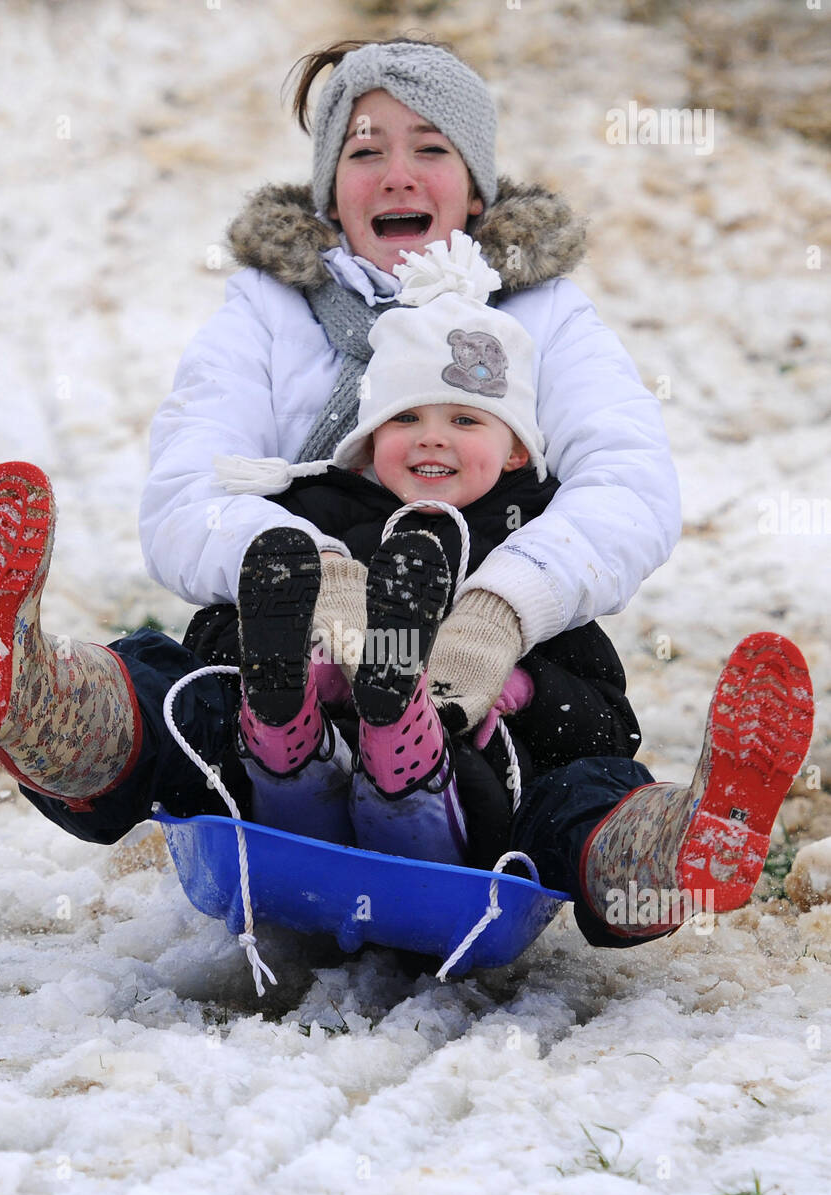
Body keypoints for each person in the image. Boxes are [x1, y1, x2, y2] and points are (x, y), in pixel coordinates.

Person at [0, 38, 814, 958]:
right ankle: (28, 692)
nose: (397, 173)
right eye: (363, 149)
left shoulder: (543, 314)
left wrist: (500, 612)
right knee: (178, 703)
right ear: (327, 188)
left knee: (572, 792)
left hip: (491, 695)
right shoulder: (268, 311)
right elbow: (188, 491)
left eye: (429, 147)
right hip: (286, 666)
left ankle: (681, 846)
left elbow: (629, 483)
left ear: (475, 186)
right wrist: (315, 582)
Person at [191, 230, 642, 871]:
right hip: (289, 798)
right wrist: (295, 652)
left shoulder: (530, 547)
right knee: (239, 711)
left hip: (461, 818)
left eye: (464, 420)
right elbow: (208, 636)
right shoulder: (322, 520)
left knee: (541, 782)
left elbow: (608, 728)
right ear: (369, 441)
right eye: (404, 419)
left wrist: (521, 685)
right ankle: (287, 716)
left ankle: (401, 726)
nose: (431, 440)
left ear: (517, 448)